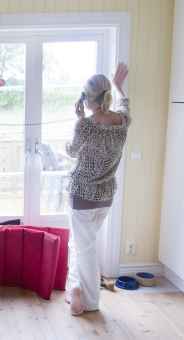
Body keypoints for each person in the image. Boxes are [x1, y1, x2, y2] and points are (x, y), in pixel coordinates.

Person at [64, 63, 130, 316]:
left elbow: (71, 151)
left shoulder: (85, 125)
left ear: (86, 98)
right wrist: (118, 85)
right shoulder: (121, 122)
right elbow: (125, 105)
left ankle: (90, 303)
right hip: (105, 197)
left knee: (86, 250)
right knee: (78, 244)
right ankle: (75, 287)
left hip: (82, 196)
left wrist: (80, 120)